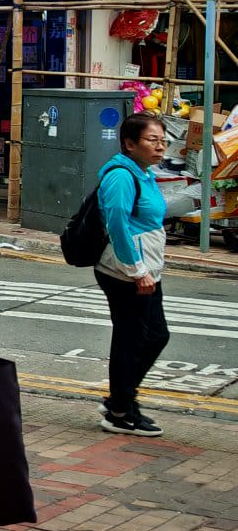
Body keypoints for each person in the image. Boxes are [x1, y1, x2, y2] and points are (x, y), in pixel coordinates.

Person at [95, 112, 169, 437]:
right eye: (152, 140)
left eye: (163, 141)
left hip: (147, 271)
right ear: (129, 143)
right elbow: (117, 225)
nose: (160, 147)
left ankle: (121, 398)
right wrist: (137, 271)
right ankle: (120, 412)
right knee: (132, 340)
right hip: (126, 273)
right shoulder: (121, 176)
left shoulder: (144, 173)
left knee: (155, 335)